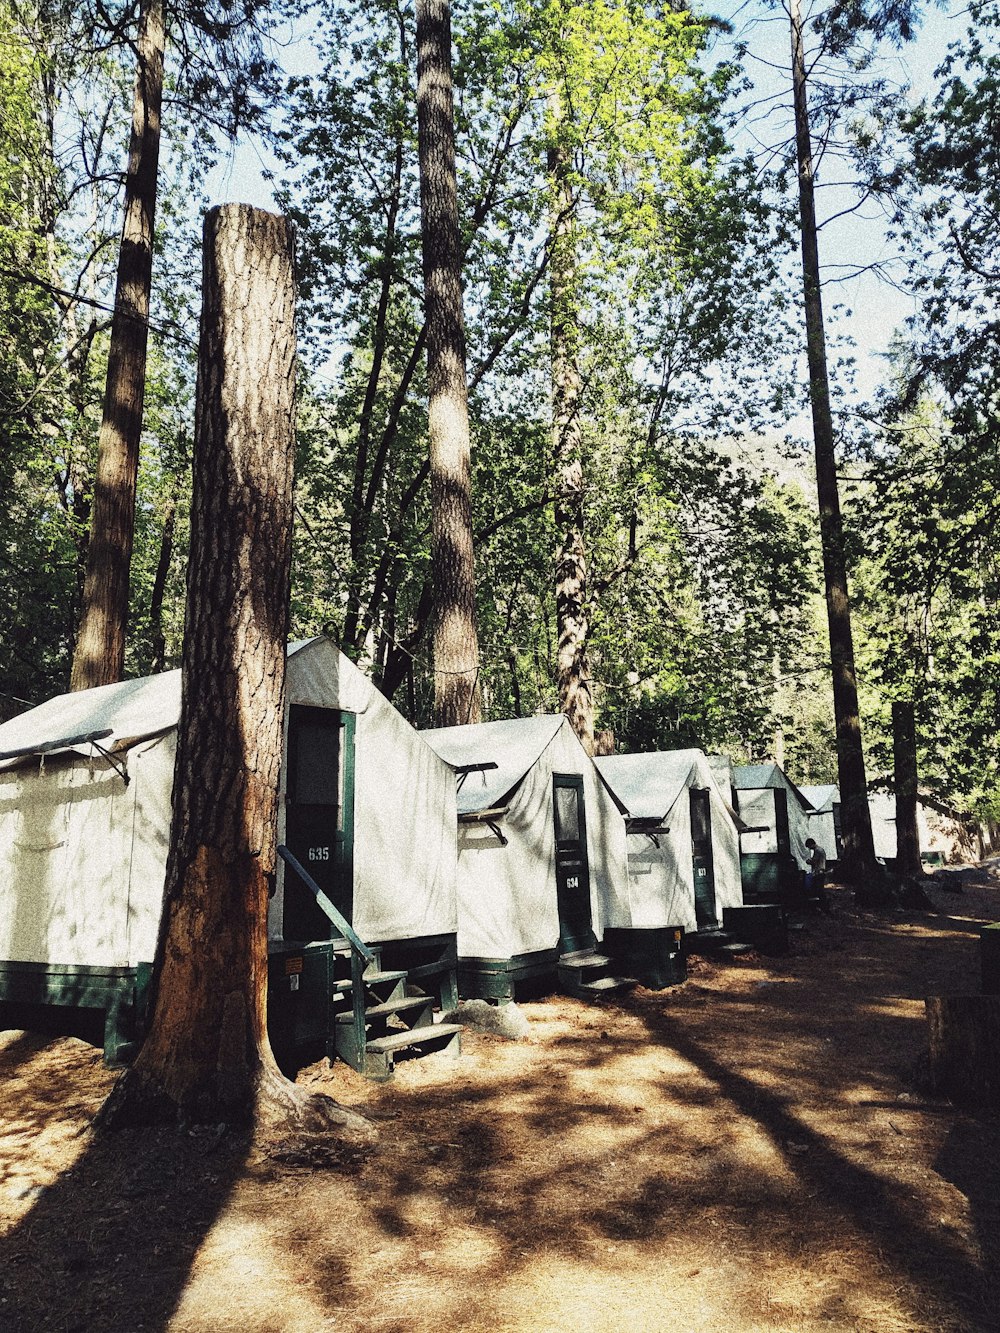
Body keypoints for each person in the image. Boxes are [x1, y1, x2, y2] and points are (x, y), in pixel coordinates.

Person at [804, 837, 831, 912]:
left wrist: (808, 861)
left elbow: (814, 861)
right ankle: (822, 906)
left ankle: (824, 907)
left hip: (819, 872)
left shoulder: (817, 850)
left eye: (809, 847)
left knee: (819, 891)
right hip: (820, 872)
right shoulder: (820, 849)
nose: (810, 849)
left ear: (811, 844)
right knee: (818, 890)